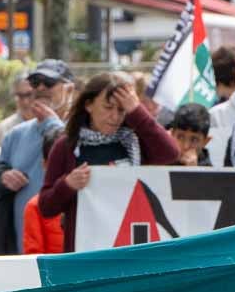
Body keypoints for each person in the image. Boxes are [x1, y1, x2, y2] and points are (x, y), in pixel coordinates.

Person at [38, 72, 180, 252]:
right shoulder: (66, 146)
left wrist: (137, 111)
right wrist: (67, 185)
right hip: (85, 252)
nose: (114, 116)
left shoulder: (133, 143)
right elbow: (46, 207)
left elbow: (170, 153)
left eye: (121, 110)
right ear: (89, 105)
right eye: (108, 107)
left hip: (130, 246)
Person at [0, 60, 77, 252]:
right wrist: (2, 176)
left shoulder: (82, 131)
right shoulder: (16, 134)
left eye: (49, 82)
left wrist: (52, 124)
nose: (41, 88)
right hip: (23, 248)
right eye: (35, 82)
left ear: (69, 90)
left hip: (66, 247)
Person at [22, 131, 67, 254]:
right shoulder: (35, 206)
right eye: (56, 163)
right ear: (45, 165)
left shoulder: (89, 200)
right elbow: (34, 255)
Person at [0, 73, 37, 141]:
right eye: (20, 95)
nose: (25, 102)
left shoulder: (49, 123)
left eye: (29, 94)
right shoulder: (5, 127)